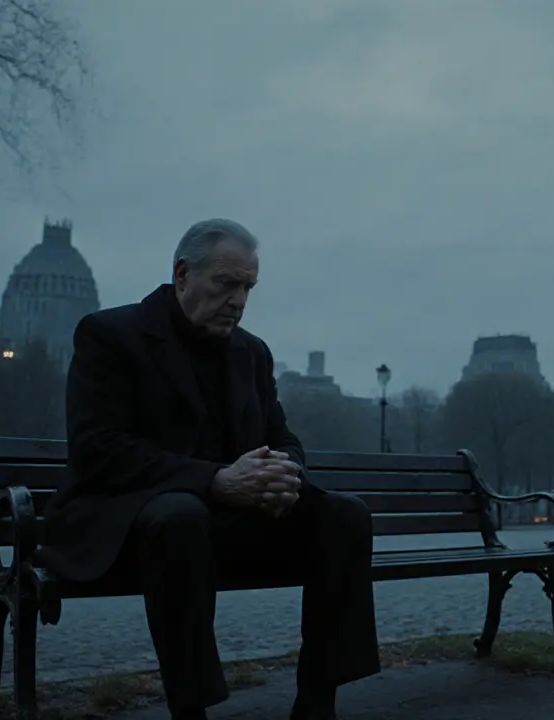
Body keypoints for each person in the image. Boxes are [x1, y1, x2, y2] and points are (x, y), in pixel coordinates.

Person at [36, 219, 380, 720]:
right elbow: (99, 450)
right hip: (129, 523)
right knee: (180, 516)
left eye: (248, 288)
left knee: (345, 515)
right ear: (182, 274)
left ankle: (316, 703)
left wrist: (283, 474)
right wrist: (215, 481)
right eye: (226, 284)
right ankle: (190, 709)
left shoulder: (252, 353)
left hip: (224, 524)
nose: (238, 300)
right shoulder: (110, 335)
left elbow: (283, 438)